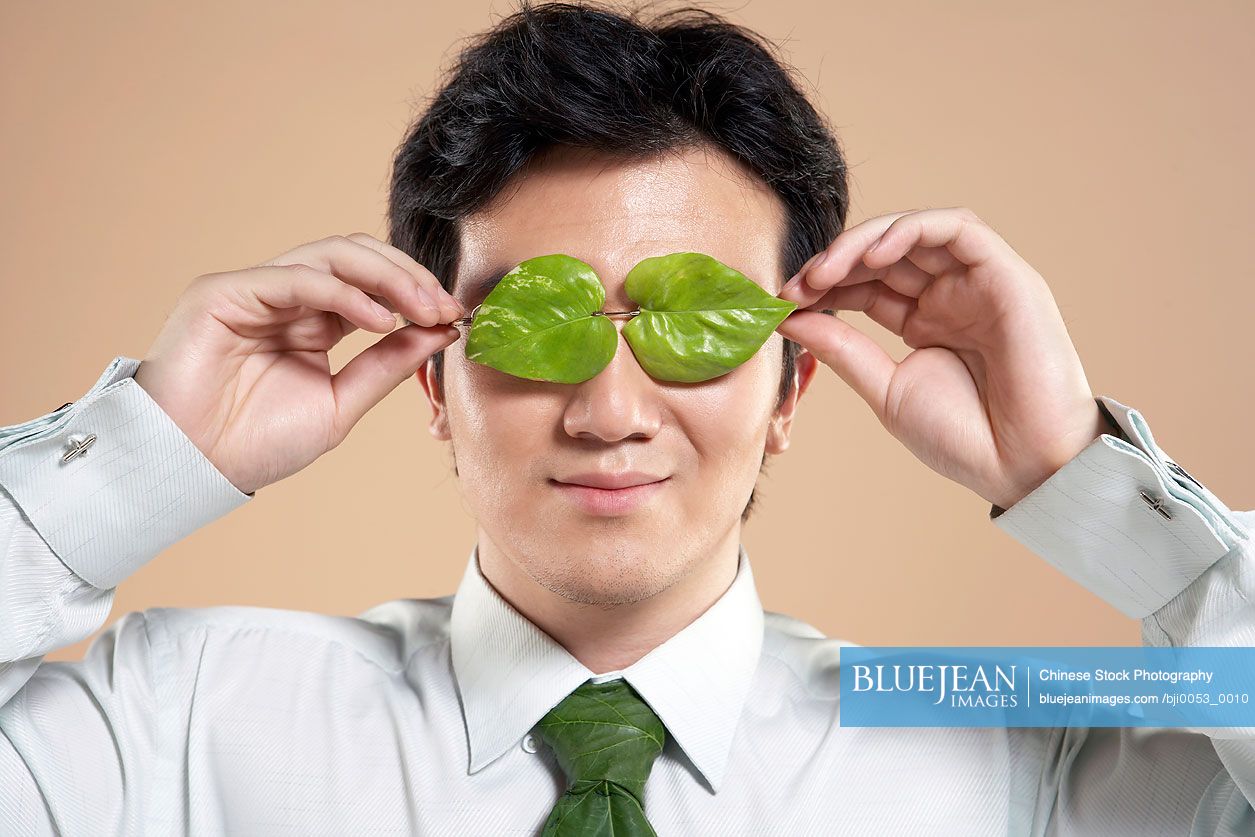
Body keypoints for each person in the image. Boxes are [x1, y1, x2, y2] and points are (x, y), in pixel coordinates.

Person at [1, 3, 1251, 835]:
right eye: (534, 329)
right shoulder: (185, 717)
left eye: (689, 329)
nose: (608, 412)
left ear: (792, 387)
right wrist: (134, 461)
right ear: (432, 380)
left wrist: (1079, 479)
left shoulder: (1011, 755)